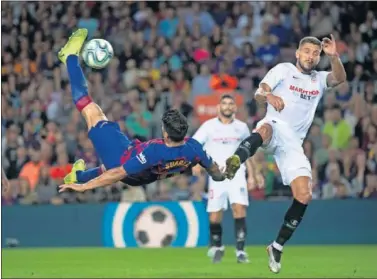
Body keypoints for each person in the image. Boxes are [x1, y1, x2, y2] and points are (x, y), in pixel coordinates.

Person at [225, 35, 346, 273]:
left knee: (304, 195)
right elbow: (260, 92)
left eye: (315, 53)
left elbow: (340, 78)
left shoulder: (319, 79)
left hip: (294, 143)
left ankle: (277, 246)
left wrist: (334, 57)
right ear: (298, 54)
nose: (311, 56)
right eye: (307, 51)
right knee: (267, 128)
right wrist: (269, 96)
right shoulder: (284, 69)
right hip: (274, 124)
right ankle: (237, 159)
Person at [57, 29, 226, 193]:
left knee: (92, 111)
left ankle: (69, 57)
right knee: (111, 164)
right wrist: (223, 175)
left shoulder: (155, 152)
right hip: (141, 171)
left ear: (166, 134)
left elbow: (117, 173)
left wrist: (84, 187)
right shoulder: (194, 149)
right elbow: (214, 171)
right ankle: (78, 176)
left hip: (126, 165)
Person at [193, 94, 262, 264]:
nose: (228, 106)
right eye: (224, 103)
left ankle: (240, 251)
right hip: (216, 175)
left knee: (239, 209)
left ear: (235, 108)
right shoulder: (208, 126)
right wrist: (195, 163)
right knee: (215, 215)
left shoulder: (242, 128)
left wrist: (253, 174)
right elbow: (194, 144)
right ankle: (217, 247)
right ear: (218, 107)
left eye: (231, 103)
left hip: (237, 174)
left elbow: (249, 152)